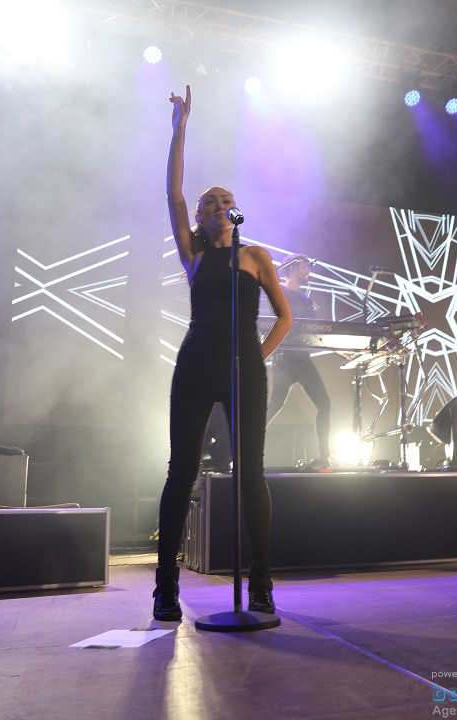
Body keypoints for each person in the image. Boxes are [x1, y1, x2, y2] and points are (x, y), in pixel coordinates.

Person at [153, 86, 294, 622]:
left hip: (244, 370)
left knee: (251, 474)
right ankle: (166, 588)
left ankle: (261, 586)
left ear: (234, 211)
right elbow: (172, 196)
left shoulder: (256, 256)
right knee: (180, 472)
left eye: (223, 199)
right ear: (201, 214)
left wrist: (256, 356)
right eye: (207, 200)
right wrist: (179, 130)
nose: (215, 204)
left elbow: (285, 316)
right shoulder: (192, 253)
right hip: (195, 365)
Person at [266, 256, 331, 468]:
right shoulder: (279, 293)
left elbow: (317, 332)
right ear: (292, 269)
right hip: (286, 358)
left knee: (324, 403)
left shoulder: (306, 300)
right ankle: (237, 447)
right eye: (304, 267)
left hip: (302, 359)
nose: (308, 272)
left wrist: (339, 351)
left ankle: (324, 457)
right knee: (274, 405)